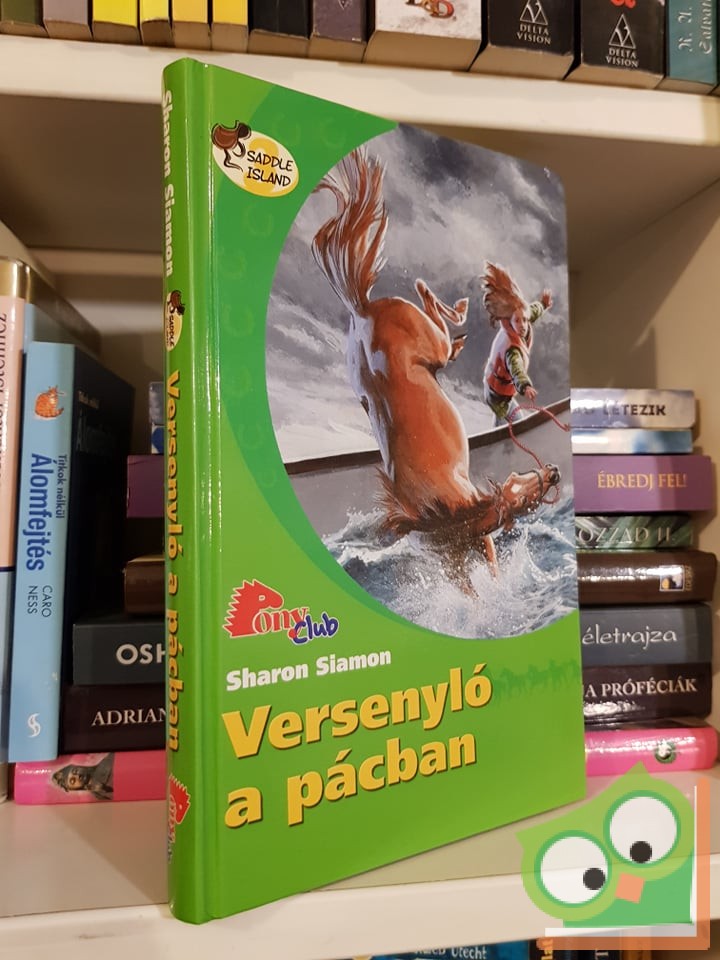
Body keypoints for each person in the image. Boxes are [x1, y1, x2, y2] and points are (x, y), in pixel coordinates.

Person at [482, 261, 552, 425]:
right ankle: (498, 436)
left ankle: (503, 430)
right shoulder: (511, 350)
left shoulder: (521, 317)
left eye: (525, 320)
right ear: (510, 321)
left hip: (500, 390)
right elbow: (516, 369)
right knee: (507, 418)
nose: (523, 325)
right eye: (518, 321)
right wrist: (525, 386)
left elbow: (532, 311)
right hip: (496, 395)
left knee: (512, 417)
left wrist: (543, 304)